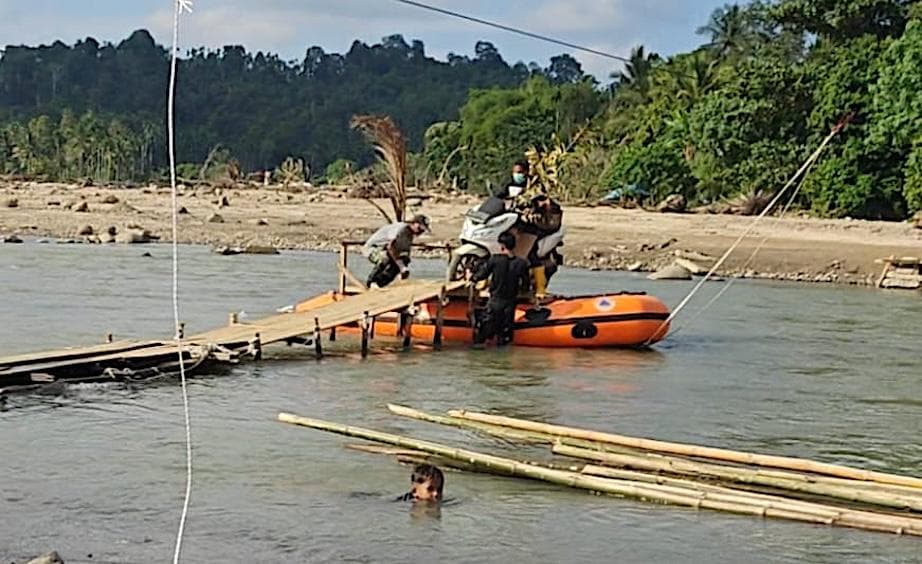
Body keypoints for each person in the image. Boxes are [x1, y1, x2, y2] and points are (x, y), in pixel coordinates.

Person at [470, 232, 530, 346]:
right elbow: (526, 285)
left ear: (502, 246)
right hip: (510, 304)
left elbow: (481, 275)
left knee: (483, 335)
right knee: (504, 338)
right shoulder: (521, 263)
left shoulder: (495, 260)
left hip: (495, 301)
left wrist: (473, 277)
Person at [362, 214, 430, 288]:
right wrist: (401, 266)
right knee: (385, 258)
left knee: (403, 261)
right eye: (420, 228)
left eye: (423, 230)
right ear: (415, 224)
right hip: (373, 248)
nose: (421, 232)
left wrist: (403, 268)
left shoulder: (409, 235)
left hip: (387, 250)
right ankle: (371, 282)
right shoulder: (400, 228)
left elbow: (404, 252)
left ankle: (380, 284)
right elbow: (390, 247)